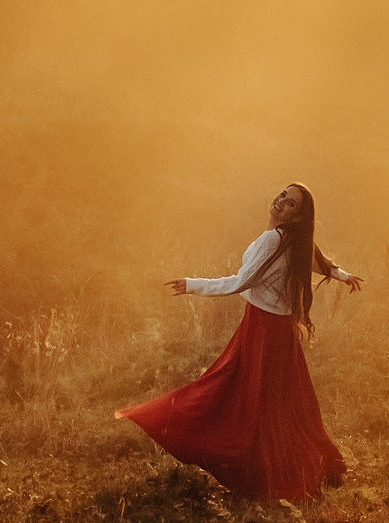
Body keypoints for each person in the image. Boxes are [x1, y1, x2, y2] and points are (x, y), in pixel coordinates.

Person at [116, 183, 364, 501]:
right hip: (276, 330)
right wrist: (343, 275)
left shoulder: (274, 239)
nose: (281, 202)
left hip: (264, 329)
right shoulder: (290, 239)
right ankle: (307, 466)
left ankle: (265, 469)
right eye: (282, 196)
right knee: (285, 403)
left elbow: (240, 282)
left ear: (298, 216)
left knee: (236, 394)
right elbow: (316, 263)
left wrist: (193, 284)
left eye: (290, 204)